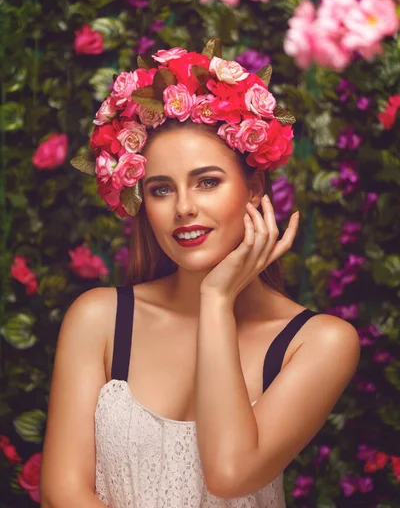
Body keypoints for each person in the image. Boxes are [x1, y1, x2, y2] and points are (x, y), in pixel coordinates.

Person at [40, 39, 361, 508]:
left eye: (207, 182)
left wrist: (216, 301)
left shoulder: (320, 342)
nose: (184, 208)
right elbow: (62, 494)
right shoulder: (99, 319)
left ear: (253, 189)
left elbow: (231, 474)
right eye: (161, 189)